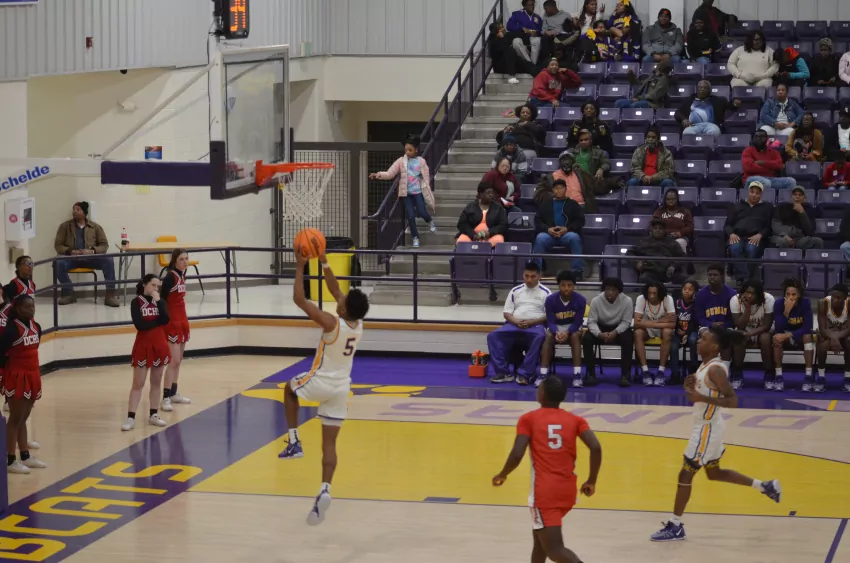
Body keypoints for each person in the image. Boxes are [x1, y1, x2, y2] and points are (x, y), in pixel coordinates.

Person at [650, 326, 781, 542]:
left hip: (707, 428)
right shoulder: (705, 365)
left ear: (714, 346)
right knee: (714, 473)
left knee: (685, 474)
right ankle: (764, 486)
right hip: (708, 425)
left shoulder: (716, 370)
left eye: (703, 339)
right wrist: (689, 388)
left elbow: (733, 400)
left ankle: (676, 525)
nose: (698, 341)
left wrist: (701, 398)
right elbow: (697, 396)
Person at [278, 248, 370, 526]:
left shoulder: (331, 323)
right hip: (342, 388)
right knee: (329, 443)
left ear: (342, 309)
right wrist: (325, 262)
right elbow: (336, 290)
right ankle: (325, 489)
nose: (340, 298)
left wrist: (300, 266)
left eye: (342, 301)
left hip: (320, 381)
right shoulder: (358, 324)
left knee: (289, 389)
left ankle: (294, 442)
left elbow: (299, 299)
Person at [493, 375, 601, 563]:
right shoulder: (575, 420)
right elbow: (596, 447)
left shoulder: (529, 419)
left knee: (554, 549)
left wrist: (503, 474)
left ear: (542, 394)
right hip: (567, 489)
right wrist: (591, 480)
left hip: (545, 493)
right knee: (540, 541)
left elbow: (517, 453)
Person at [0, 295, 46, 474]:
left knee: (23, 418)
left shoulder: (36, 327)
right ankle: (10, 459)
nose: (32, 309)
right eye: (27, 307)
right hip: (17, 376)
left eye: (32, 306)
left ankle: (25, 456)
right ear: (18, 309)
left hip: (32, 374)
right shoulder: (11, 329)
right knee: (15, 418)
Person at [487, 262, 550, 385]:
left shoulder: (546, 293)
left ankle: (525, 374)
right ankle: (503, 372)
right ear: (523, 275)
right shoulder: (515, 290)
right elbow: (507, 313)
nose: (529, 279)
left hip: (535, 326)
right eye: (526, 276)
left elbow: (548, 315)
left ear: (539, 276)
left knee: (540, 337)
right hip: (514, 324)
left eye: (533, 276)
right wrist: (516, 321)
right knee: (493, 336)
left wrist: (532, 322)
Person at [370, 135, 436, 249]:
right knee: (410, 216)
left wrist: (426, 190)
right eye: (406, 150)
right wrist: (378, 174)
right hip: (406, 194)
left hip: (418, 192)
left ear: (416, 149)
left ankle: (430, 221)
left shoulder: (421, 162)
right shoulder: (401, 161)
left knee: (422, 211)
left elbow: (426, 178)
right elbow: (390, 173)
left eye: (410, 150)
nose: (408, 152)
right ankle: (415, 237)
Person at [122, 274, 170, 431]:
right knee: (138, 383)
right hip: (143, 346)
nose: (156, 289)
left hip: (159, 345)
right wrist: (156, 322)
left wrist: (159, 302)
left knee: (156, 382)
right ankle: (130, 417)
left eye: (158, 286)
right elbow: (140, 325)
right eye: (153, 285)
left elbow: (166, 319)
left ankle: (154, 415)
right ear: (145, 284)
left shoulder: (160, 301)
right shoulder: (136, 302)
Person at [53, 202, 120, 307]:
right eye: (73, 209)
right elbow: (58, 245)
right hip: (72, 258)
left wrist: (92, 251)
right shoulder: (65, 226)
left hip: (91, 259)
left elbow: (104, 245)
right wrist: (71, 251)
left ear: (85, 212)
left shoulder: (95, 227)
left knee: (108, 260)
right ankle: (68, 292)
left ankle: (110, 295)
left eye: (78, 209)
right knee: (57, 263)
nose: (74, 212)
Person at [584, 277, 634, 387]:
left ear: (619, 291)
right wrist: (599, 334)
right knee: (587, 339)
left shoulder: (627, 301)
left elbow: (626, 322)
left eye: (613, 290)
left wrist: (615, 332)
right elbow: (591, 322)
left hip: (619, 328)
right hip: (601, 327)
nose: (610, 292)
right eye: (607, 289)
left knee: (628, 338)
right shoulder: (596, 300)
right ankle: (591, 374)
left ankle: (625, 376)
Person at [541, 270, 586, 388]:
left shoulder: (581, 300)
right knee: (548, 336)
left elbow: (577, 321)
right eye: (563, 285)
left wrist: (567, 332)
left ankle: (577, 375)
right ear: (558, 285)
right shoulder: (550, 300)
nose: (566, 288)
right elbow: (550, 321)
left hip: (573, 327)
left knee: (575, 336)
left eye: (569, 285)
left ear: (574, 286)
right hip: (556, 326)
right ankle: (542, 374)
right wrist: (556, 332)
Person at [160, 249, 192, 412]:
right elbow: (162, 300)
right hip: (172, 322)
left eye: (186, 258)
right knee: (173, 361)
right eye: (181, 259)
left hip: (182, 320)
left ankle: (173, 392)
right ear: (175, 261)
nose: (185, 262)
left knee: (179, 360)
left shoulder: (182, 275)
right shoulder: (170, 277)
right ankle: (165, 397)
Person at [533, 179, 585, 278]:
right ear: (553, 190)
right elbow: (537, 220)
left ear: (565, 189)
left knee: (575, 238)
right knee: (540, 238)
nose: (559, 190)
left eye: (561, 188)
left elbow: (580, 221)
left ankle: (577, 270)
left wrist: (567, 229)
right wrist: (547, 229)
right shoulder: (546, 204)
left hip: (566, 234)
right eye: (556, 188)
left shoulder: (573, 204)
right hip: (549, 234)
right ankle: (536, 271)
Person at [725, 181, 773, 286]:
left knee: (751, 249)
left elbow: (768, 226)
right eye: (752, 192)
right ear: (748, 192)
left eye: (757, 193)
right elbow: (727, 225)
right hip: (738, 236)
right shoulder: (737, 206)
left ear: (761, 194)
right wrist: (731, 233)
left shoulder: (767, 207)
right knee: (735, 248)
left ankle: (743, 279)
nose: (754, 195)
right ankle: (745, 278)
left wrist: (760, 235)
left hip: (755, 237)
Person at [729, 280, 774, 389]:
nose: (749, 296)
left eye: (752, 293)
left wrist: (750, 334)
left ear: (758, 294)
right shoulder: (735, 300)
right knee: (738, 336)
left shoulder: (768, 299)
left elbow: (767, 325)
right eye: (746, 292)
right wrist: (747, 309)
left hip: (762, 329)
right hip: (744, 329)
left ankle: (769, 373)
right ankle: (737, 373)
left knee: (765, 339)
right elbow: (739, 325)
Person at [772, 278, 814, 392]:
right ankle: (778, 376)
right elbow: (779, 328)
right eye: (788, 294)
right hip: (784, 334)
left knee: (808, 337)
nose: (791, 297)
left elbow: (808, 327)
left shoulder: (805, 303)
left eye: (794, 294)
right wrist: (786, 312)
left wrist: (789, 335)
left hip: (799, 335)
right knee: (777, 339)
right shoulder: (779, 303)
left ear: (799, 295)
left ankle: (808, 376)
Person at [633, 280, 676, 386]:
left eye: (654, 293)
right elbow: (637, 324)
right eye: (649, 293)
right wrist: (662, 320)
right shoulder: (641, 299)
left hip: (661, 328)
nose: (651, 296)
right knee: (637, 333)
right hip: (648, 329)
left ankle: (661, 372)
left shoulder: (668, 299)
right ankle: (645, 372)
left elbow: (672, 324)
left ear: (660, 293)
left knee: (667, 332)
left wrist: (647, 323)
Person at [628, 219, 687, 284]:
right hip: (651, 272)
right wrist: (636, 262)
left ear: (665, 230)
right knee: (643, 278)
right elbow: (629, 252)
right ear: (652, 230)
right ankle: (660, 287)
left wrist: (674, 266)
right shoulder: (644, 242)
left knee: (686, 279)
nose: (657, 230)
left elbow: (682, 257)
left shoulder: (672, 242)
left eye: (660, 228)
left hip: (669, 272)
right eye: (655, 228)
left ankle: (662, 287)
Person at [675, 80, 742, 136]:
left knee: (714, 132)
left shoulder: (717, 101)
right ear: (697, 90)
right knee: (687, 133)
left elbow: (730, 105)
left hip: (711, 126)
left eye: (705, 88)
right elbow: (677, 113)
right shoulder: (689, 100)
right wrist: (684, 119)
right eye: (700, 87)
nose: (702, 89)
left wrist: (735, 103)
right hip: (693, 126)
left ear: (709, 91)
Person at [817, 284, 850, 393]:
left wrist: (835, 337)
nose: (835, 300)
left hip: (843, 334)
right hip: (828, 334)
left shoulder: (849, 304)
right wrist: (834, 338)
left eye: (838, 298)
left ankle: (848, 377)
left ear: (845, 298)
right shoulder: (823, 303)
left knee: (849, 343)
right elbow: (822, 329)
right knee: (822, 346)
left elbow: (849, 330)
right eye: (833, 297)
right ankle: (821, 377)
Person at [770, 186, 823, 250]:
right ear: (791, 196)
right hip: (782, 236)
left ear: (804, 198)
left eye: (800, 195)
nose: (797, 196)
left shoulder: (808, 209)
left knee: (818, 241)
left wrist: (802, 213)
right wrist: (783, 235)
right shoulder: (782, 207)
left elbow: (810, 231)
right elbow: (775, 224)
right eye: (795, 194)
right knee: (783, 242)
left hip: (799, 239)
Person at [670, 280, 699, 382]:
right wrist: (677, 328)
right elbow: (673, 319)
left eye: (690, 289)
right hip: (678, 331)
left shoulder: (696, 304)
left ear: (695, 292)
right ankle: (675, 373)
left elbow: (695, 321)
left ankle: (693, 370)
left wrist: (686, 333)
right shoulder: (676, 303)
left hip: (692, 331)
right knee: (673, 346)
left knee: (692, 340)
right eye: (684, 289)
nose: (687, 291)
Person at [694, 263, 736, 334]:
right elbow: (700, 318)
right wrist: (711, 324)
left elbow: (733, 318)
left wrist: (723, 325)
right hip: (707, 326)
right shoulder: (700, 294)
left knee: (730, 334)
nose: (712, 277)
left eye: (715, 275)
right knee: (706, 334)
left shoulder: (732, 294)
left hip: (726, 327)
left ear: (722, 276)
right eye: (710, 275)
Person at [653, 189, 693, 253]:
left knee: (678, 243)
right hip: (663, 237)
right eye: (668, 199)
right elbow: (653, 225)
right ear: (665, 200)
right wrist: (663, 234)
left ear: (677, 199)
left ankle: (681, 259)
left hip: (681, 237)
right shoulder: (659, 212)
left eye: (673, 199)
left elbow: (690, 226)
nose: (671, 201)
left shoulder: (685, 211)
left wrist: (680, 233)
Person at [506, 0, 544, 66]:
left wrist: (536, 32)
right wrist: (521, 28)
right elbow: (509, 26)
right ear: (524, 6)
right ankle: (530, 65)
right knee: (516, 42)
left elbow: (540, 30)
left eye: (533, 5)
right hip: (521, 37)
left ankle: (532, 64)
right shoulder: (517, 14)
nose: (532, 7)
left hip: (532, 38)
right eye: (530, 5)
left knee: (537, 40)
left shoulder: (537, 17)